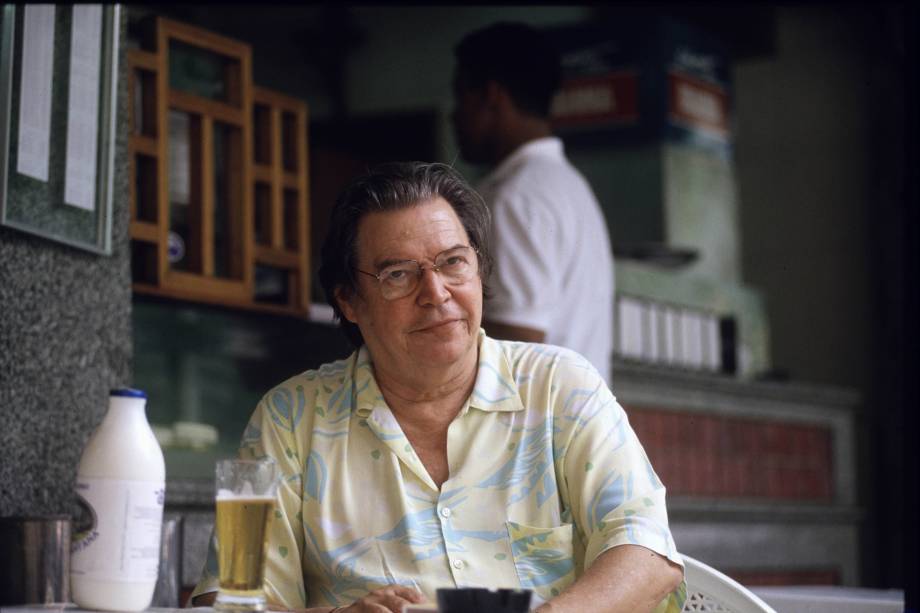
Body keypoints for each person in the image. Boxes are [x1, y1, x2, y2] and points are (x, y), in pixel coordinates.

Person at [192, 162, 684, 613]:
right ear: (348, 300)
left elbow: (648, 552)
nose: (436, 294)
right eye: (398, 274)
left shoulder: (561, 388)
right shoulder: (286, 419)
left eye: (452, 262)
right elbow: (230, 596)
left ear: (479, 269)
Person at [452, 22, 616, 383]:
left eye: (460, 96)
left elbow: (517, 342)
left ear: (490, 96)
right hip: (574, 426)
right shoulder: (570, 186)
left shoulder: (516, 196)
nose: (454, 115)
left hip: (539, 432)